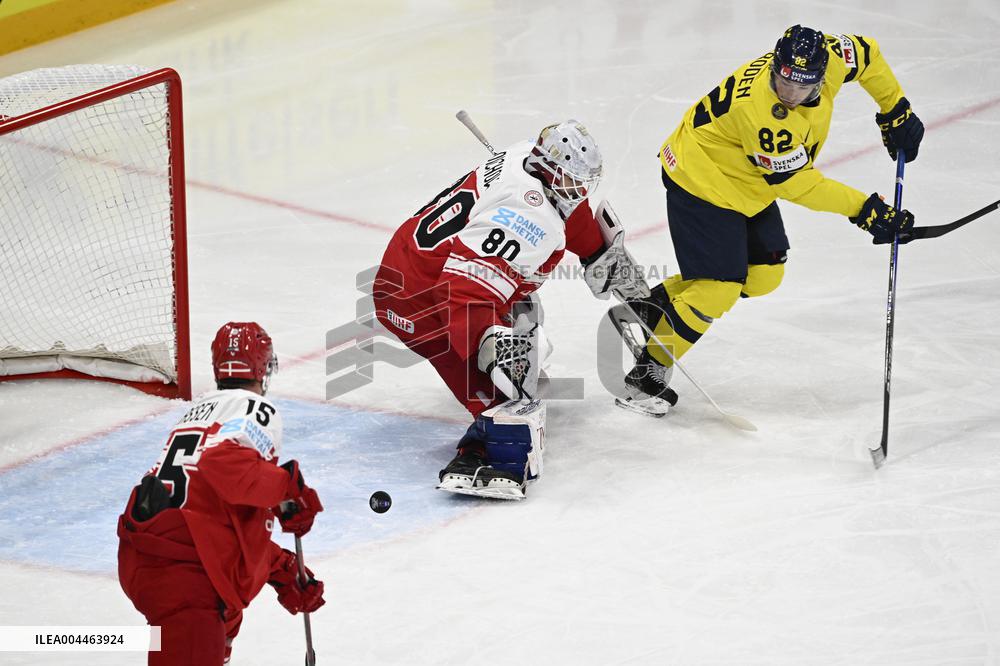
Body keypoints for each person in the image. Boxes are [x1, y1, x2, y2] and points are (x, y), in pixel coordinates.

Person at [618, 25, 925, 416]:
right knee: (719, 288)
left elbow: (869, 54)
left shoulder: (832, 57)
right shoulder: (765, 117)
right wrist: (865, 210)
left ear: (822, 72)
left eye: (801, 86)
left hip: (747, 182)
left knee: (763, 276)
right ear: (775, 66)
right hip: (701, 178)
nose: (789, 93)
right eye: (782, 80)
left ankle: (654, 309)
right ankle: (645, 375)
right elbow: (798, 185)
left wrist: (895, 109)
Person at [374, 120, 647, 499]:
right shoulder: (526, 218)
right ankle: (482, 453)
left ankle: (502, 363)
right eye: (573, 182)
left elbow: (569, 207)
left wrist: (598, 253)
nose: (580, 190)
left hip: (421, 264)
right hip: (415, 300)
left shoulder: (526, 156)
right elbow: (464, 294)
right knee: (507, 400)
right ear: (550, 169)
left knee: (523, 312)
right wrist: (495, 355)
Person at [117, 322, 325, 665]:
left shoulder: (197, 411)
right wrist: (288, 491)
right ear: (264, 368)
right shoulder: (256, 409)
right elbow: (224, 464)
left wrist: (280, 567)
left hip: (159, 561)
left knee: (227, 614)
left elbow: (211, 512)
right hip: (186, 578)